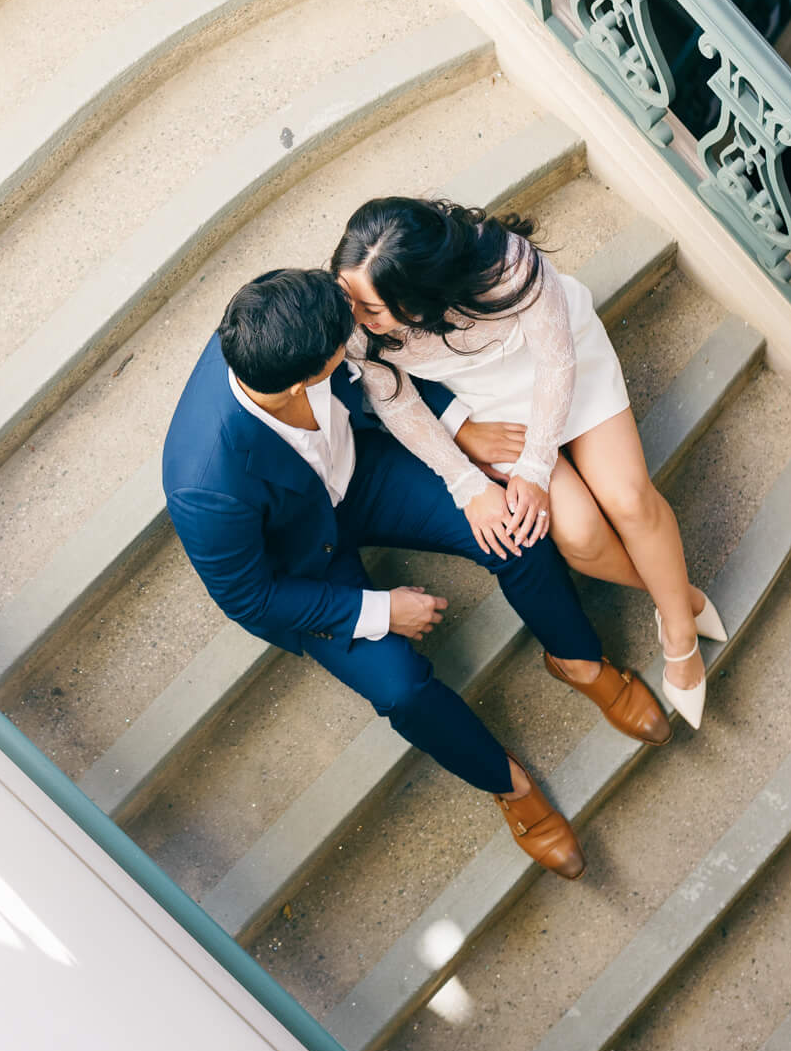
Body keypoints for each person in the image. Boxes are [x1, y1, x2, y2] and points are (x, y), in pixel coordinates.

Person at [162, 268, 673, 881]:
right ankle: (509, 787)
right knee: (401, 689)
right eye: (347, 336)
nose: (363, 328)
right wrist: (378, 611)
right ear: (302, 381)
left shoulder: (300, 314)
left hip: (367, 474)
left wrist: (459, 427)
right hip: (304, 566)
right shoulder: (204, 482)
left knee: (511, 530)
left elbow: (391, 367)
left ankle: (578, 660)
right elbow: (248, 597)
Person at [331, 197, 724, 729]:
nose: (353, 316)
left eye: (371, 308)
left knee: (628, 499)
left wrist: (538, 469)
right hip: (490, 403)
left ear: (423, 298)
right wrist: (467, 483)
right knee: (581, 535)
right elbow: (397, 403)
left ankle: (679, 635)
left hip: (562, 365)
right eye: (349, 294)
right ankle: (679, 595)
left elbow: (558, 361)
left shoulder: (505, 265)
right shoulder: (354, 320)